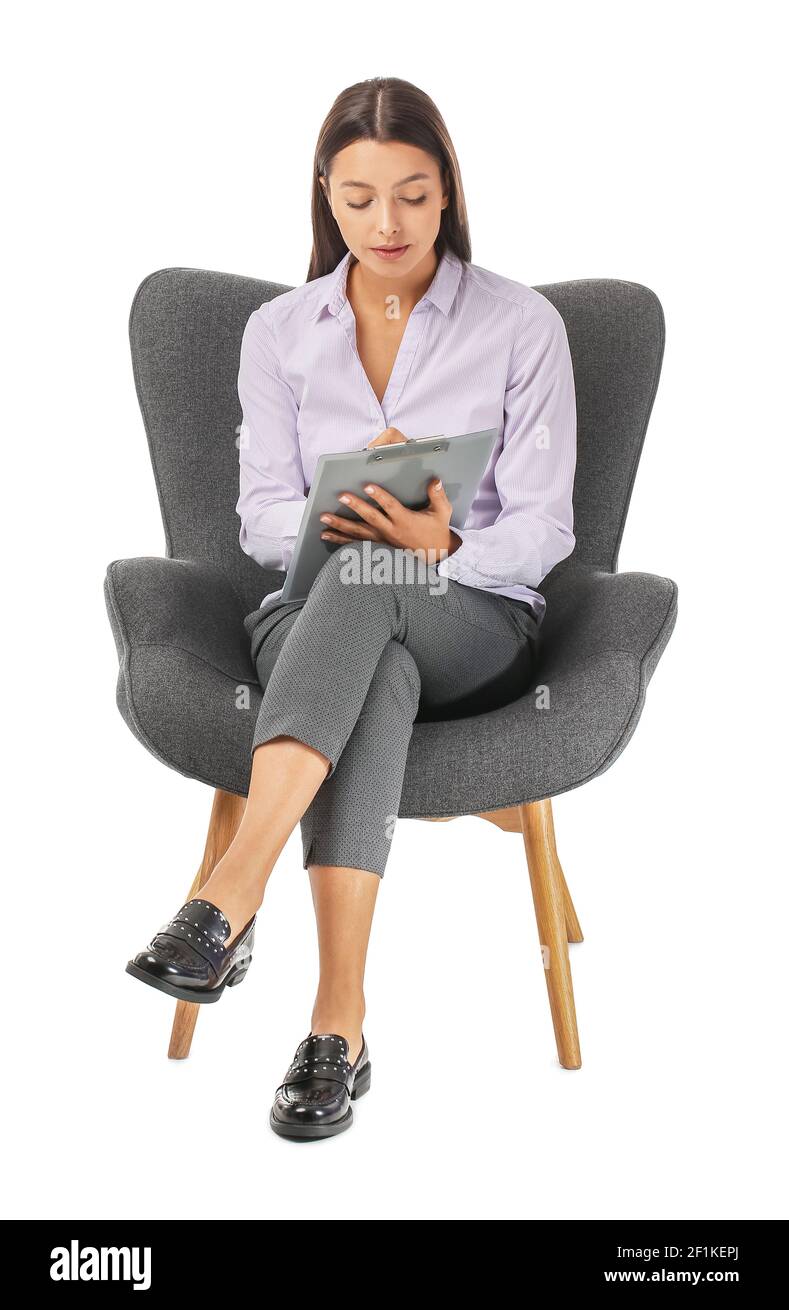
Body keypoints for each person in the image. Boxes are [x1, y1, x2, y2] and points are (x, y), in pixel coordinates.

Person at [126, 75, 577, 1142]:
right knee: (368, 635)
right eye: (361, 196)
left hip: (475, 621)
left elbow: (549, 528)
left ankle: (230, 897)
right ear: (324, 194)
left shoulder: (522, 324)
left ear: (448, 193)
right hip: (313, 614)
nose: (388, 224)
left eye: (415, 196)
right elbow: (260, 519)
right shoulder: (280, 331)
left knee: (385, 596)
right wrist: (352, 515)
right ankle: (339, 1023)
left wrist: (446, 539)